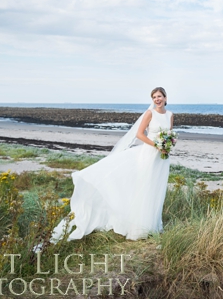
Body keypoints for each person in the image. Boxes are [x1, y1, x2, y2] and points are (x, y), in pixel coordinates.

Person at [52, 87, 174, 241]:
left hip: (162, 157)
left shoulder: (170, 115)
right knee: (145, 187)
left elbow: (169, 134)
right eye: (154, 97)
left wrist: (166, 146)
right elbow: (139, 134)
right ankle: (138, 227)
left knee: (157, 188)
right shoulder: (150, 113)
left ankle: (153, 225)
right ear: (153, 100)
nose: (157, 99)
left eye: (160, 96)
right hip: (148, 154)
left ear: (165, 97)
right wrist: (156, 145)